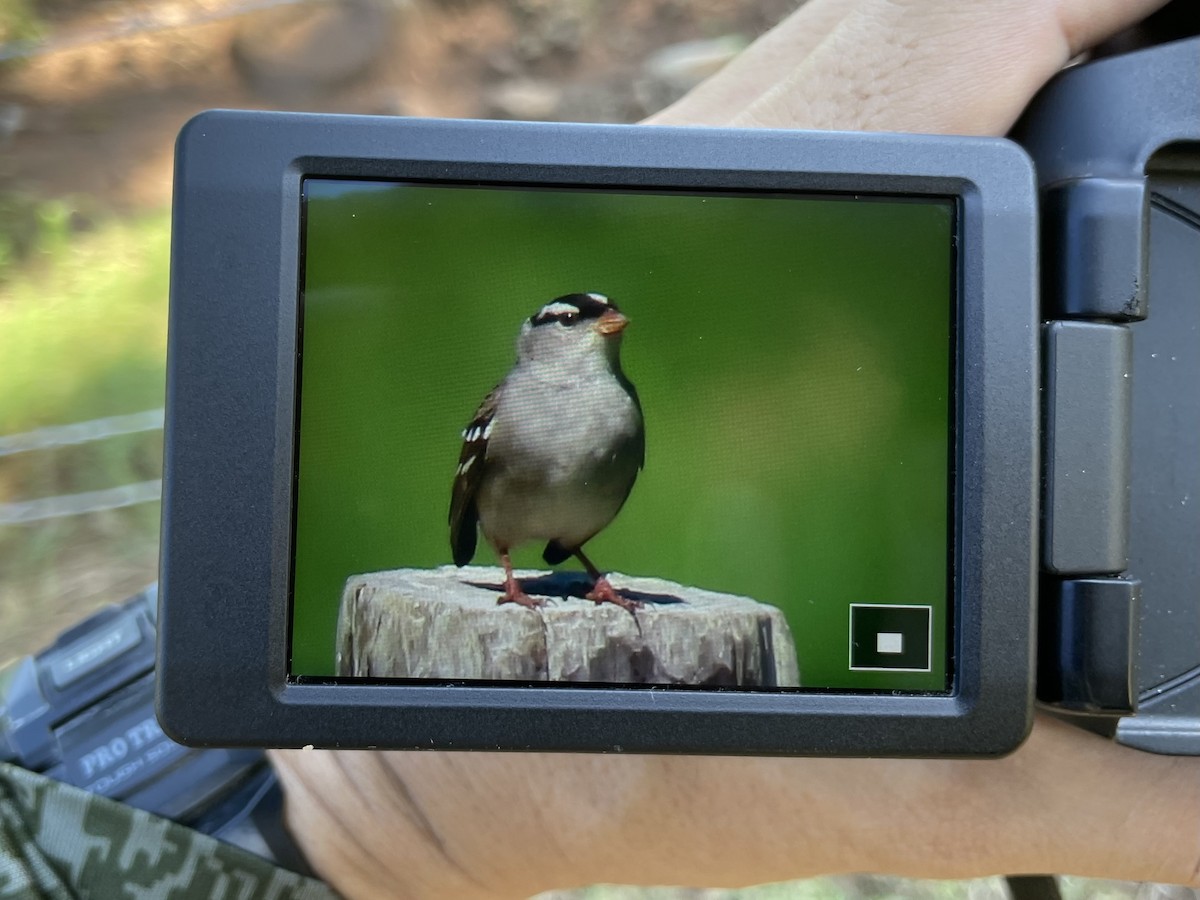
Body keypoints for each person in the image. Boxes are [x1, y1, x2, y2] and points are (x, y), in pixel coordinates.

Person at [268, 1, 1200, 898]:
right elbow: (468, 486)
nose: (602, 326)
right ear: (539, 336)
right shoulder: (502, 406)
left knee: (590, 546)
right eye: (576, 319)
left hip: (347, 829)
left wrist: (376, 820)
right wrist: (381, 808)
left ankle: (583, 572)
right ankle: (518, 580)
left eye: (606, 316)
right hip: (500, 555)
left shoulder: (622, 410)